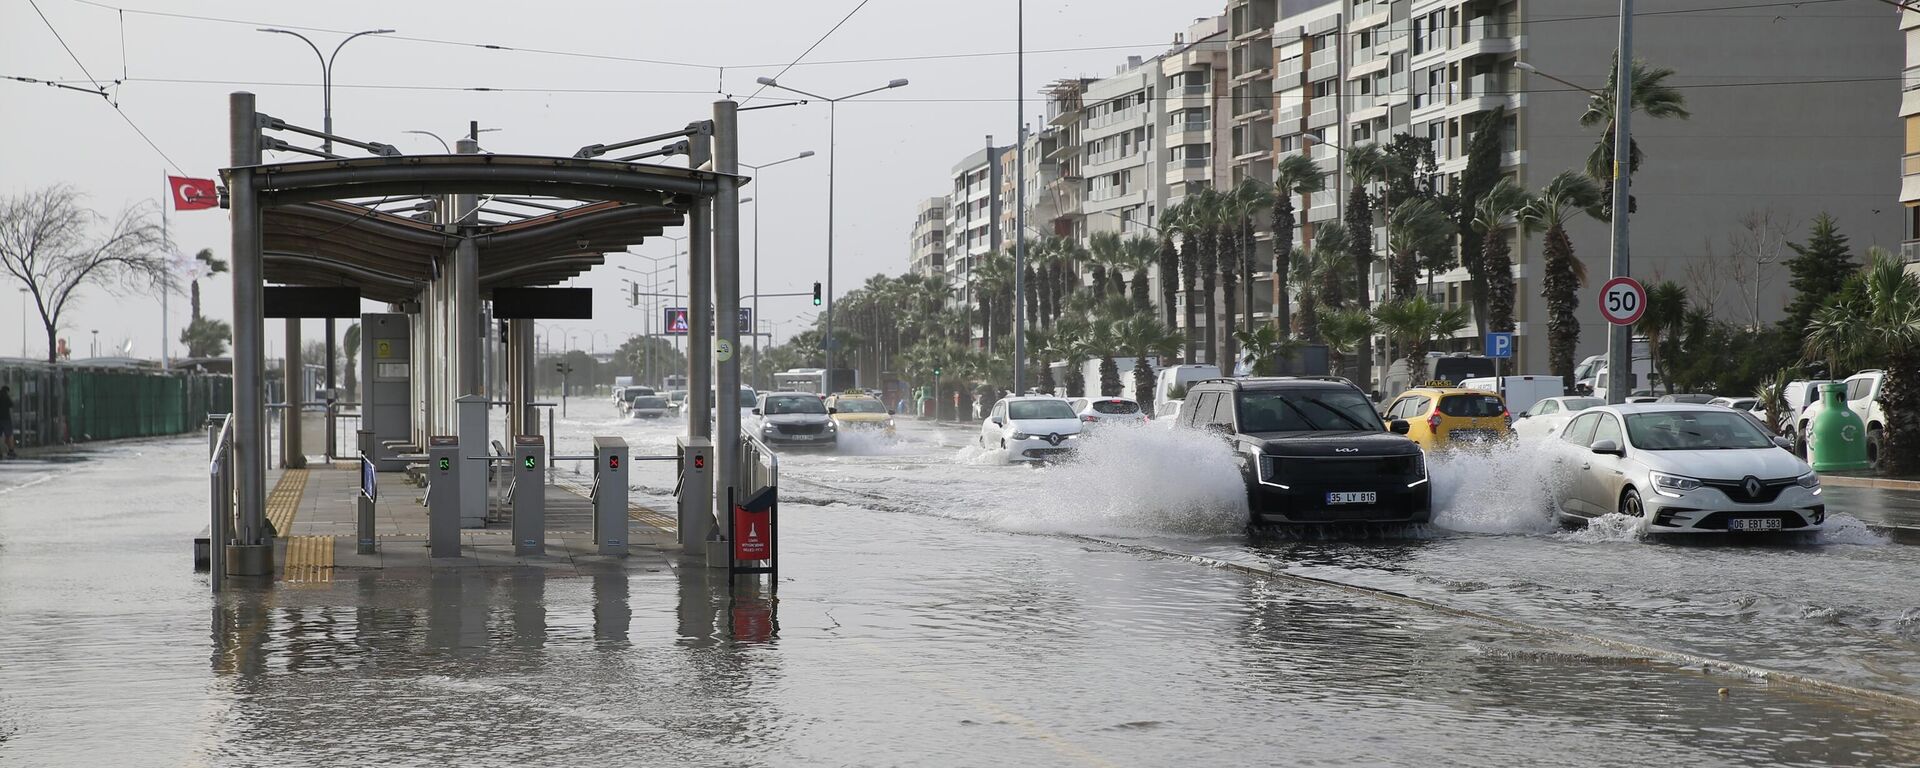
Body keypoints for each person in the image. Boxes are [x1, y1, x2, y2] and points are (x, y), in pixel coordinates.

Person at [0, 385, 14, 459]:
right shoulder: (6, 397)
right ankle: (11, 451)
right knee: (9, 435)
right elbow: (11, 404)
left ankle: (0, 452)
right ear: (7, 391)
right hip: (6, 419)